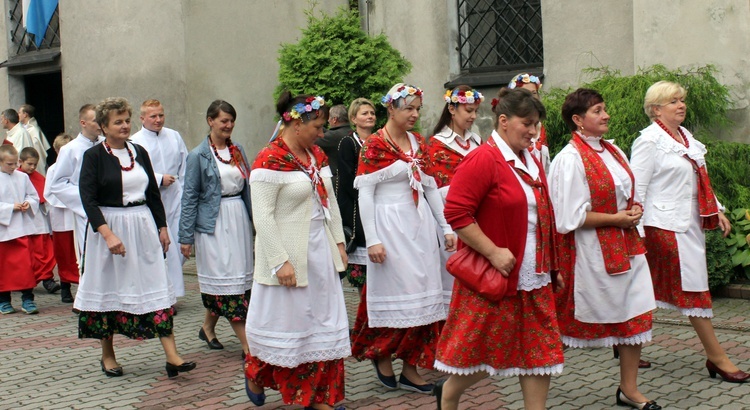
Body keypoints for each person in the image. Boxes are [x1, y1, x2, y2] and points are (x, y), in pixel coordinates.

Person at [433, 88, 563, 410]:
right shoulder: (483, 159)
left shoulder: (531, 159)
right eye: (527, 123)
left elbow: (541, 215)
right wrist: (493, 251)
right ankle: (448, 393)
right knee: (485, 349)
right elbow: (456, 213)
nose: (533, 132)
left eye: (536, 125)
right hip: (498, 276)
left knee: (540, 352)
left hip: (535, 274)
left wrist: (554, 266)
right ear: (503, 121)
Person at [630, 80, 750, 383]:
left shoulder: (685, 137)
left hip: (690, 223)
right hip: (662, 226)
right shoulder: (649, 141)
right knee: (693, 289)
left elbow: (699, 179)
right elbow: (636, 190)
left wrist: (718, 209)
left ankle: (626, 343)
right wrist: (636, 232)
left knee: (646, 287)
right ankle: (717, 358)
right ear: (656, 109)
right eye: (673, 101)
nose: (681, 105)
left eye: (681, 100)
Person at [548, 88, 660, 409]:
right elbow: (568, 217)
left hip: (627, 246)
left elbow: (627, 192)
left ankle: (629, 389)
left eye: (604, 108)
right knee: (569, 324)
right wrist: (616, 218)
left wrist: (634, 211)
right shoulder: (569, 160)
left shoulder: (613, 151)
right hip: (591, 252)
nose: (606, 114)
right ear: (578, 120)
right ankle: (532, 372)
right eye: (597, 110)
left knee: (635, 315)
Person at [244, 92, 350, 410]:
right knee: (290, 328)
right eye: (317, 126)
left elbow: (328, 201)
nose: (322, 132)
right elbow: (262, 216)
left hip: (319, 253)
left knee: (321, 325)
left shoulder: (317, 155)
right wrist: (280, 261)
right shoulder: (269, 158)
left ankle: (321, 396)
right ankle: (256, 373)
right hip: (288, 257)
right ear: (296, 122)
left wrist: (339, 244)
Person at [76, 97, 195, 378]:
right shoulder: (93, 157)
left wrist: (163, 228)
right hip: (110, 228)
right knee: (109, 289)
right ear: (104, 127)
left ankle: (172, 356)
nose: (125, 125)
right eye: (118, 121)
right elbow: (88, 200)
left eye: (127, 120)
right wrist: (107, 234)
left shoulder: (139, 152)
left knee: (156, 284)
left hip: (142, 226)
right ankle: (108, 355)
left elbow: (153, 194)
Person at [350, 83, 455, 394]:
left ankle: (411, 369)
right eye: (408, 108)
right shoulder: (374, 146)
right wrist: (373, 240)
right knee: (393, 293)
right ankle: (381, 353)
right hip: (389, 224)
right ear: (391, 109)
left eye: (418, 109)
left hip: (418, 224)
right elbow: (365, 195)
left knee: (425, 294)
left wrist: (446, 227)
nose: (414, 114)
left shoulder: (418, 143)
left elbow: (431, 187)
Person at [179, 100, 253, 357]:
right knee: (224, 279)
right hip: (214, 223)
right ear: (210, 121)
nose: (229, 125)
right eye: (223, 120)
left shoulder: (238, 149)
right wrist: (185, 237)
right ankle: (248, 346)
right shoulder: (197, 156)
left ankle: (207, 328)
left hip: (238, 218)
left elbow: (248, 187)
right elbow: (189, 198)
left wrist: (258, 223)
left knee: (235, 279)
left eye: (231, 121)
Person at [424, 85, 484, 311]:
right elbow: (436, 189)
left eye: (475, 111)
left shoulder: (477, 141)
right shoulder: (436, 145)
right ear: (452, 108)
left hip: (480, 216)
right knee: (455, 272)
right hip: (451, 219)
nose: (473, 116)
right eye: (469, 111)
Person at [131, 99, 189, 300]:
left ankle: (171, 289)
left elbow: (185, 164)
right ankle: (167, 295)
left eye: (161, 115)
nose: (158, 120)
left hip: (176, 196)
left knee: (180, 245)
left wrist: (184, 189)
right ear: (142, 118)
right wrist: (158, 179)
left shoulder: (174, 136)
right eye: (153, 116)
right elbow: (135, 171)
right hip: (153, 199)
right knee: (163, 247)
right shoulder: (135, 141)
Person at [48, 104, 103, 264]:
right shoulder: (70, 150)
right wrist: (88, 198)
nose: (100, 124)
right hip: (86, 211)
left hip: (113, 208)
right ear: (83, 123)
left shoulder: (108, 144)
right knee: (92, 259)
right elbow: (57, 184)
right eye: (95, 120)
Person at [336, 97, 376, 291]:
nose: (370, 116)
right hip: (356, 207)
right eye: (364, 113)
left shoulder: (378, 141)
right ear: (354, 119)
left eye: (372, 113)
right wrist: (366, 198)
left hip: (378, 204)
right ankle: (363, 311)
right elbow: (346, 178)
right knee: (363, 266)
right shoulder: (348, 142)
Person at [0, 144, 40, 315]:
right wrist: (10, 208)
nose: (14, 167)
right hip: (4, 230)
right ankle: (4, 300)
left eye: (15, 163)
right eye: (9, 164)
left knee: (25, 266)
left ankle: (28, 298)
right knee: (3, 268)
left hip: (22, 228)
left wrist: (28, 203)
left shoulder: (22, 178)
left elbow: (33, 196)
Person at [18, 147, 60, 295]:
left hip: (39, 220)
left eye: (35, 164)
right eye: (29, 164)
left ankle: (48, 279)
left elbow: (44, 195)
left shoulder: (39, 177)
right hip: (22, 220)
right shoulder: (16, 177)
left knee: (44, 251)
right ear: (20, 161)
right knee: (27, 253)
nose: (32, 167)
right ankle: (25, 281)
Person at [43, 134, 79, 303]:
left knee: (78, 253)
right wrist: (68, 201)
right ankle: (65, 286)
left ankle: (81, 287)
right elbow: (49, 193)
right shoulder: (52, 169)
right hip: (60, 217)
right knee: (64, 254)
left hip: (76, 216)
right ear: (57, 151)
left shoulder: (78, 166)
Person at [508, 73, 550, 173]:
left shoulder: (540, 126)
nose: (531, 98)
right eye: (525, 94)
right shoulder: (511, 128)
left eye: (534, 93)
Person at [315, 104, 350, 186]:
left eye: (329, 119)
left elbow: (312, 140)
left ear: (334, 120)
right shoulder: (350, 132)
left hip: (337, 182)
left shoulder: (333, 136)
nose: (328, 121)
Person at [19, 104, 51, 175]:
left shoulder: (33, 130)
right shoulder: (24, 128)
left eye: (19, 113)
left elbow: (37, 149)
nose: (18, 115)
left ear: (25, 114)